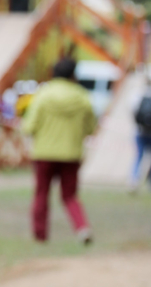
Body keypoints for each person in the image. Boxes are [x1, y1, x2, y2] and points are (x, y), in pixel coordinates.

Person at [22, 57, 96, 244]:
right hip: (71, 154)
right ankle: (82, 228)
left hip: (44, 154)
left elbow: (29, 126)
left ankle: (40, 235)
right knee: (70, 196)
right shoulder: (82, 97)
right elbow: (90, 128)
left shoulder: (43, 95)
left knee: (41, 194)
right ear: (73, 74)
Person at [129, 74, 151, 192]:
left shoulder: (137, 97)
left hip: (140, 132)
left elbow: (133, 112)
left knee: (139, 156)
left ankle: (134, 180)